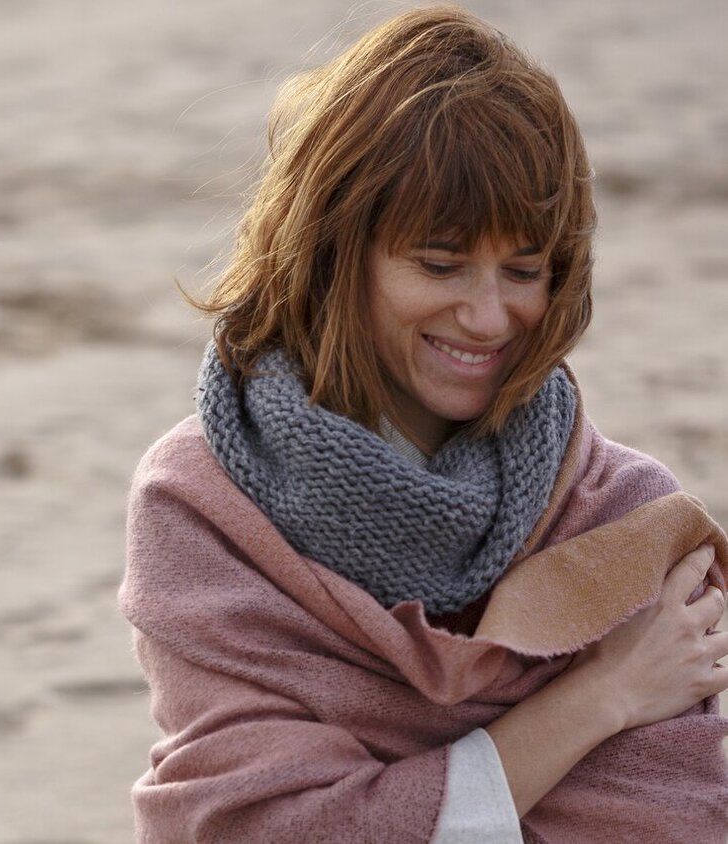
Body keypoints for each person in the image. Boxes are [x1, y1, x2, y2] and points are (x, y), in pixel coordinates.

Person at [119, 5, 728, 843]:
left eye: (524, 271)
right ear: (334, 251)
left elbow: (660, 823)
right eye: (440, 264)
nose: (488, 317)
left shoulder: (623, 521)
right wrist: (602, 698)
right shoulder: (201, 504)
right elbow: (259, 826)